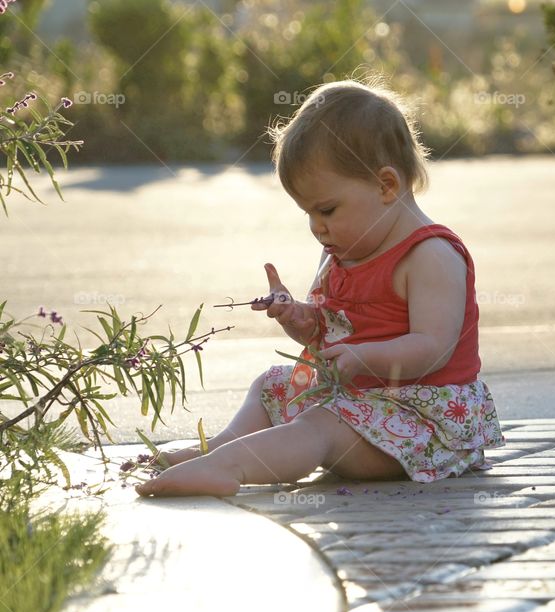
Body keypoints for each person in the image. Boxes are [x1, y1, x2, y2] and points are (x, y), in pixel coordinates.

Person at [135, 78, 505, 497]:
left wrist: (365, 357)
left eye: (327, 209)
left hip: (424, 423)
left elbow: (433, 346)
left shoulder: (430, 255)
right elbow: (330, 330)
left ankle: (229, 468)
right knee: (271, 383)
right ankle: (219, 448)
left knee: (320, 424)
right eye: (307, 212)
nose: (316, 225)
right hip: (357, 404)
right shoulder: (340, 251)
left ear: (387, 186)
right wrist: (299, 317)